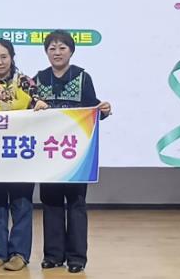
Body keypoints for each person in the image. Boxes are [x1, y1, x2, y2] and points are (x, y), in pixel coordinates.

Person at [33, 30, 112, 274]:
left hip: (76, 153)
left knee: (76, 203)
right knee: (50, 202)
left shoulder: (82, 77)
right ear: (46, 52)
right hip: (48, 152)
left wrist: (104, 110)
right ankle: (53, 255)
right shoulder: (39, 79)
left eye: (62, 48)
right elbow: (29, 111)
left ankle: (77, 257)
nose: (57, 53)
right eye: (52, 48)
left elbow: (92, 109)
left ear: (71, 51)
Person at [0, 39, 47, 271]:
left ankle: (19, 253)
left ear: (12, 57)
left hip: (20, 152)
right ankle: (0, 251)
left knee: (21, 203)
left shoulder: (26, 82)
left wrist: (40, 105)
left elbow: (39, 106)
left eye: (4, 57)